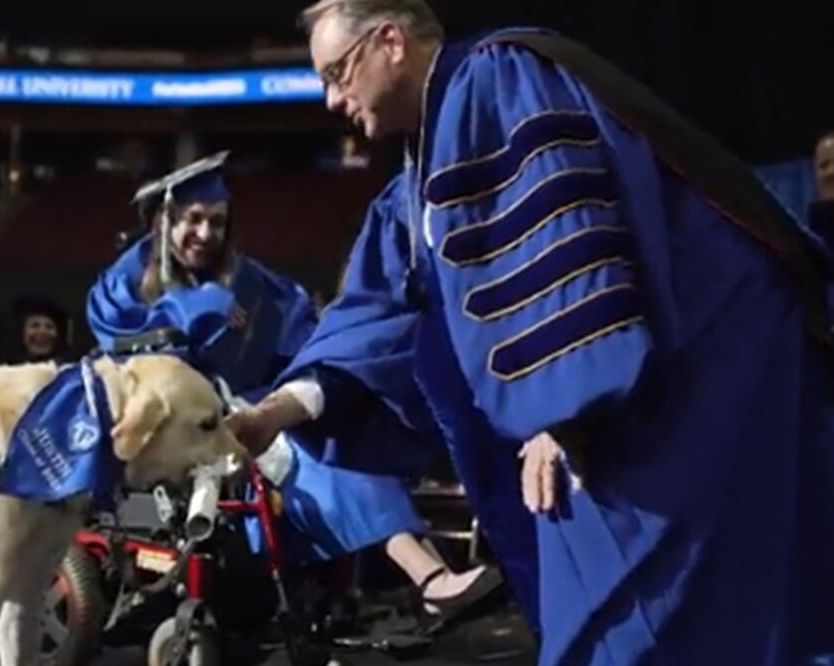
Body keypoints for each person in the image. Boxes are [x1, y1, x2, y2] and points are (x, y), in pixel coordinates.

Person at [226, 1, 834, 664]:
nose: (332, 100)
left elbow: (562, 242)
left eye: (337, 73)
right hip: (619, 398)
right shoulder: (418, 178)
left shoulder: (498, 79)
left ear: (391, 42)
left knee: (683, 612)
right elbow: (377, 314)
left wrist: (561, 412)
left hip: (706, 365)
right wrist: (274, 412)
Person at [87, 152, 499, 622]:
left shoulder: (249, 280)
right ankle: (428, 576)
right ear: (164, 221)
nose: (206, 234)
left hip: (252, 408)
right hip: (178, 425)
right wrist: (203, 311)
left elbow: (297, 330)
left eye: (217, 223)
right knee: (304, 451)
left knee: (331, 430)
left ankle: (403, 580)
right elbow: (130, 356)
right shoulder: (124, 283)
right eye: (193, 220)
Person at [12, 295, 70, 363]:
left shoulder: (67, 371)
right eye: (35, 325)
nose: (42, 331)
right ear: (22, 333)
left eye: (49, 327)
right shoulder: (7, 370)